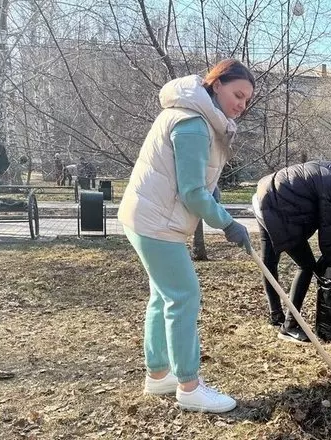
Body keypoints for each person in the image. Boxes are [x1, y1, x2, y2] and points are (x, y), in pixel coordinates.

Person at [117, 59, 255, 413]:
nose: (241, 104)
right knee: (184, 296)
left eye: (247, 100)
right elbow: (192, 192)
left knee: (164, 297)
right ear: (216, 84)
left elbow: (193, 179)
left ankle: (159, 373)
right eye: (237, 94)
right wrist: (227, 223)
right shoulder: (194, 123)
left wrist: (214, 195)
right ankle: (190, 387)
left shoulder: (196, 115)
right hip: (155, 220)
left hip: (146, 215)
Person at [253, 160, 331, 343]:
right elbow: (327, 243)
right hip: (277, 206)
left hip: (264, 194)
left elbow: (326, 210)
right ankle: (289, 327)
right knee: (306, 265)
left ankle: (276, 315)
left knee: (269, 262)